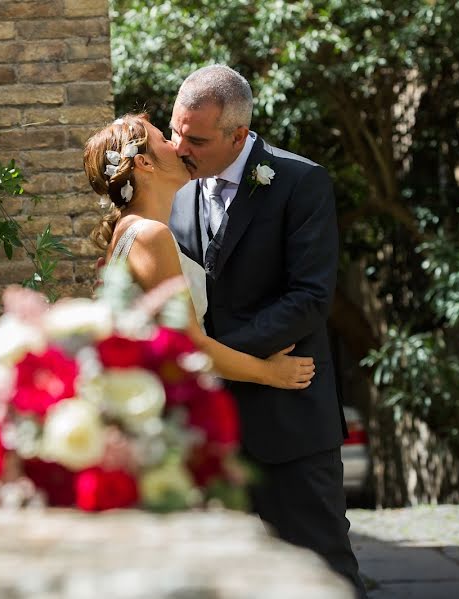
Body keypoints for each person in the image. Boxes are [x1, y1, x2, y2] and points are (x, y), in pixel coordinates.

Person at [167, 65, 366, 598]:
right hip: (210, 432)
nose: (180, 146)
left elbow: (309, 299)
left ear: (238, 135)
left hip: (290, 421)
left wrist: (212, 354)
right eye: (175, 130)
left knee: (324, 572)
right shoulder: (179, 196)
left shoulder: (301, 182)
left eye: (197, 138)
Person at [84, 114, 316, 392]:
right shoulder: (149, 235)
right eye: (164, 139)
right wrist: (270, 373)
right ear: (144, 163)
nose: (178, 146)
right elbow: (191, 344)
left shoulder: (130, 229)